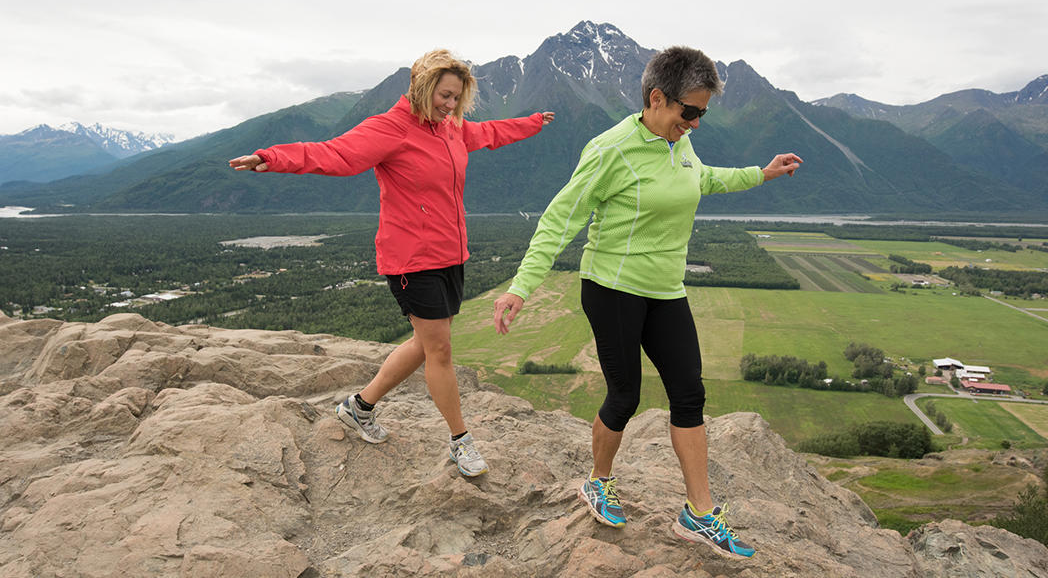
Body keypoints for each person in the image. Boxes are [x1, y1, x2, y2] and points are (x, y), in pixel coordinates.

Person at [492, 46, 801, 557]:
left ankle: (698, 515)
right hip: (612, 288)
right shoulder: (610, 149)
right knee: (625, 395)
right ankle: (597, 479)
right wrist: (521, 287)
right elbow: (559, 219)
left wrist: (760, 173)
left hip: (665, 288)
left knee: (689, 393)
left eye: (702, 113)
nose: (696, 123)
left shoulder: (679, 143)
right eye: (690, 111)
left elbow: (700, 180)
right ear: (657, 98)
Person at [230, 49, 555, 478]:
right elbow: (334, 154)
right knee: (439, 348)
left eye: (457, 98)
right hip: (410, 259)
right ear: (422, 88)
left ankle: (358, 407)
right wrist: (271, 157)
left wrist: (531, 123)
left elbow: (490, 132)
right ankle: (461, 441)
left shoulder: (452, 129)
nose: (450, 106)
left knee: (424, 345)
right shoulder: (391, 128)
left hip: (450, 256)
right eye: (443, 96)